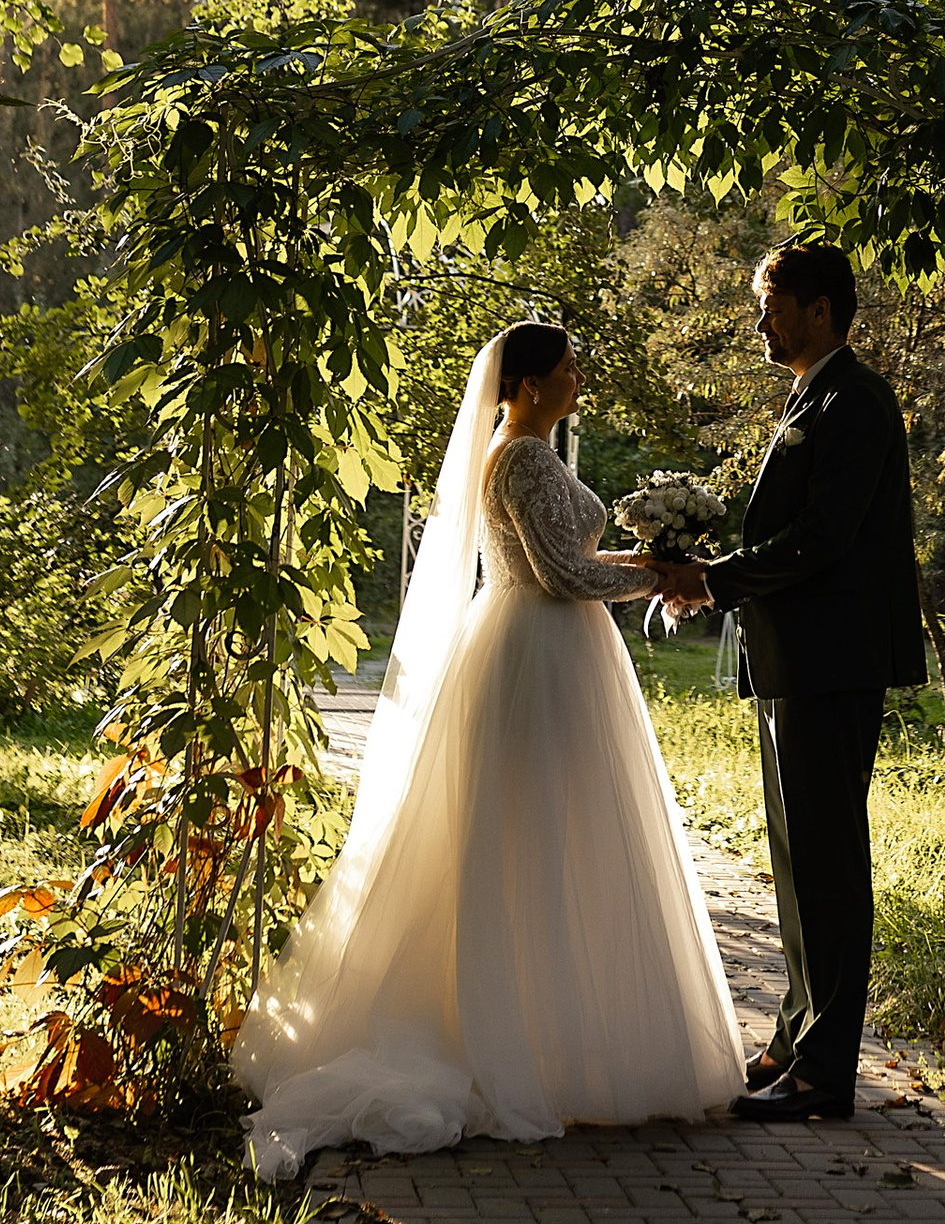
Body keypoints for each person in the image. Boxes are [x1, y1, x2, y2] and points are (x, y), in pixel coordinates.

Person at [231, 321, 745, 1177]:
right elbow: (561, 577)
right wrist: (661, 576)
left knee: (550, 836)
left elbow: (567, 556)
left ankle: (551, 1030)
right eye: (570, 369)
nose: (580, 379)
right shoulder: (524, 458)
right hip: (540, 654)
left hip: (546, 647)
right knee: (535, 837)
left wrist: (654, 558)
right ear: (531, 385)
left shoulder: (521, 451)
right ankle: (523, 1041)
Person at [659, 241, 923, 1122]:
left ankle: (826, 1075)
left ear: (819, 309)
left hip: (834, 662)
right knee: (794, 860)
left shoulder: (858, 402)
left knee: (830, 864)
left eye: (772, 303)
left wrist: (716, 577)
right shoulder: (813, 394)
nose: (760, 321)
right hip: (793, 662)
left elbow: (823, 539)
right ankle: (796, 1032)